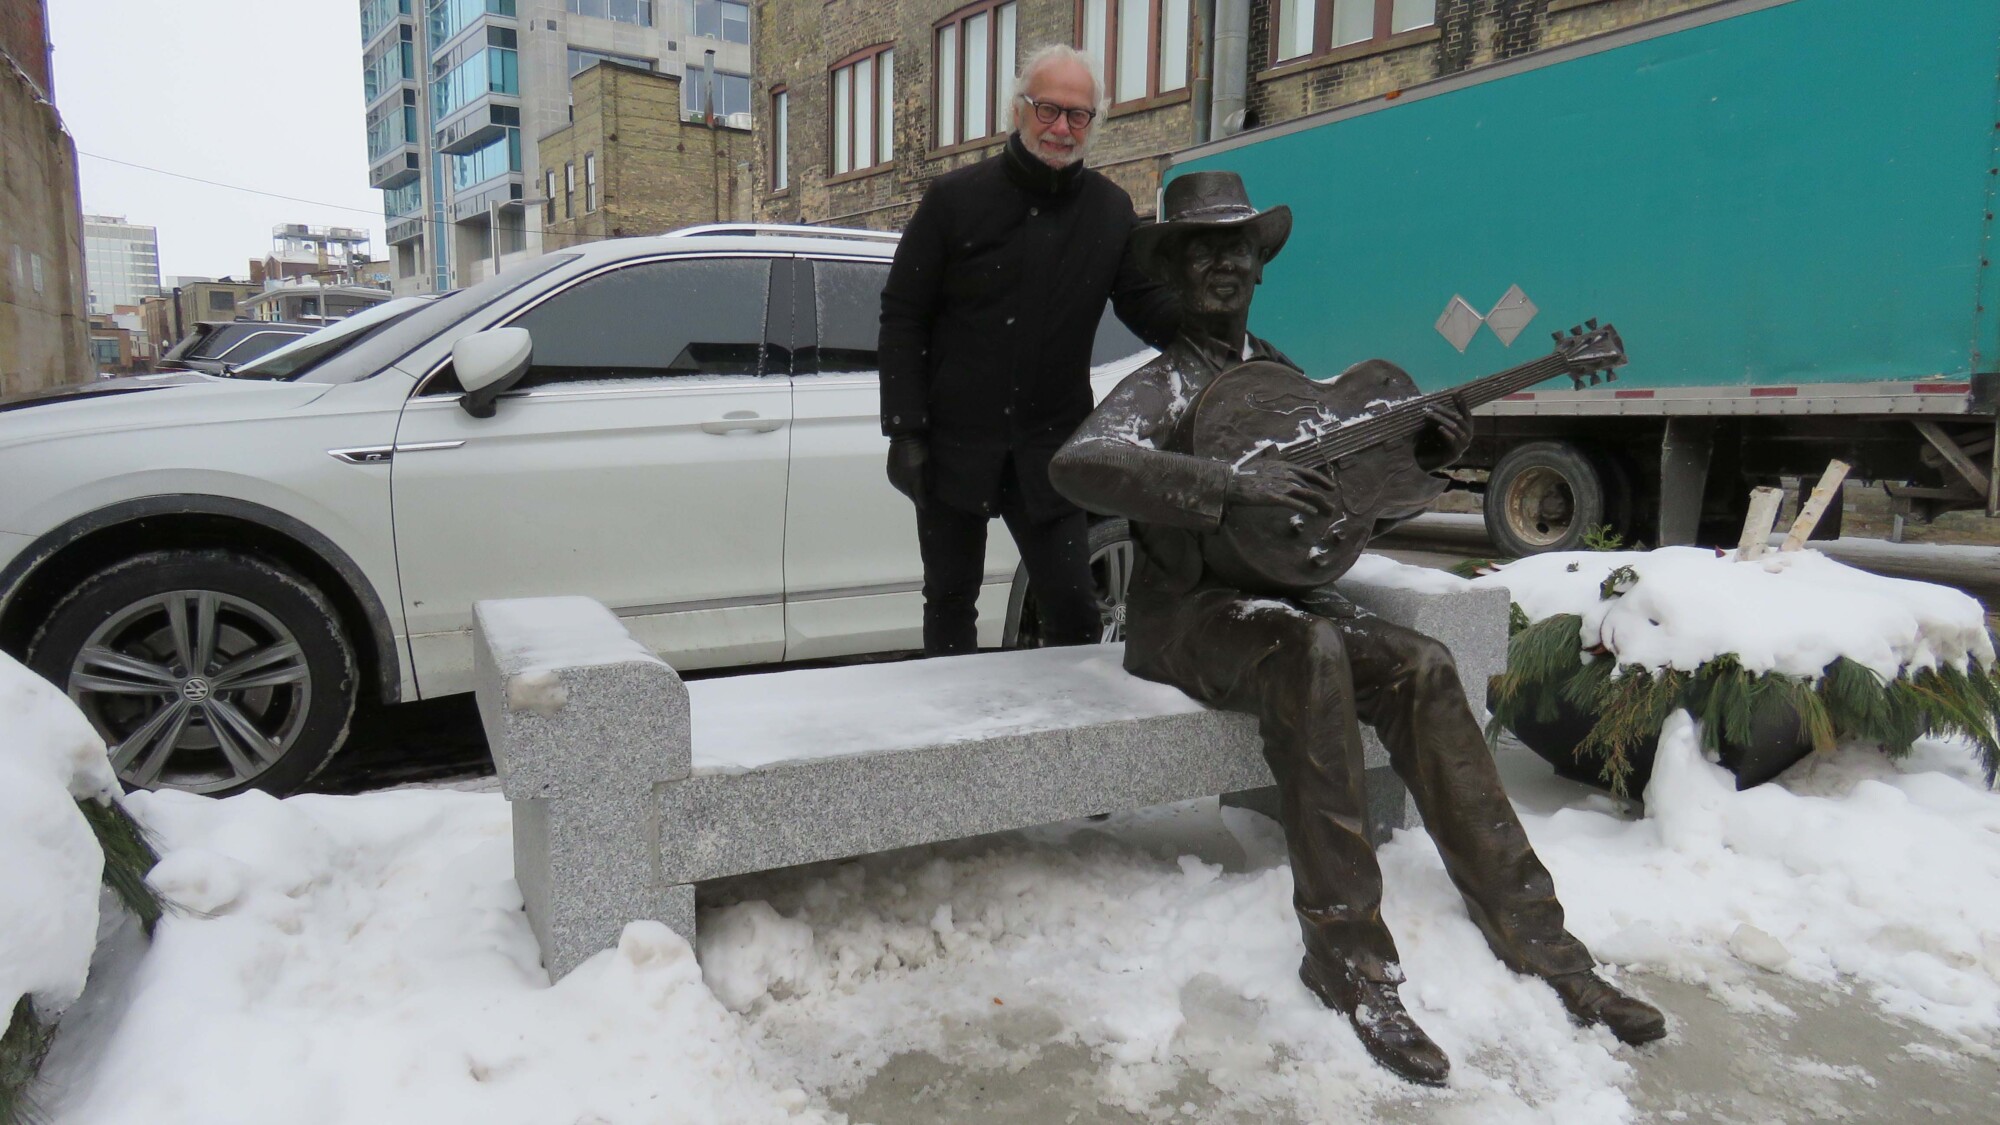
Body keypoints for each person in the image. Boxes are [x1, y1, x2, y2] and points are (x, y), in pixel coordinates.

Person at [1048, 171, 1666, 1087]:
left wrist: (1426, 453)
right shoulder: (1164, 383)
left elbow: (1340, 510)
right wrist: (1227, 486)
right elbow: (1080, 462)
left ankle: (1539, 937)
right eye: (1204, 249)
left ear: (1260, 268)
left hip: (1277, 594)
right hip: (1187, 616)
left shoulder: (1280, 375)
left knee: (1419, 663)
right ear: (1176, 270)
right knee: (1309, 650)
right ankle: (1349, 959)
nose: (1224, 263)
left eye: (1240, 249)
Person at [878, 44, 1177, 656]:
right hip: (953, 442)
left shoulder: (1110, 211)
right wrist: (905, 431)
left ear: (1095, 123)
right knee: (951, 601)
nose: (1062, 128)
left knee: (1072, 609)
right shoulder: (955, 200)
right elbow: (903, 316)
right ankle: (953, 735)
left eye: (1078, 116)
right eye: (1048, 110)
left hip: (1052, 447)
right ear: (1018, 109)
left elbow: (1144, 305)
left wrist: (1217, 335)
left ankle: (1066, 742)